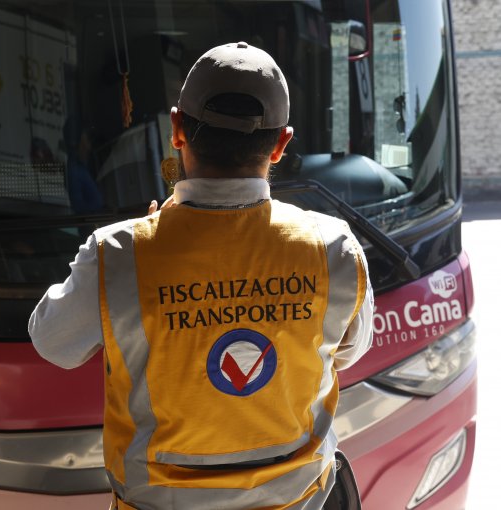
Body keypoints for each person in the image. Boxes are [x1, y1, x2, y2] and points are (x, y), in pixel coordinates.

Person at [28, 42, 374, 510]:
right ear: (280, 144)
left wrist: (146, 241)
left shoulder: (118, 253)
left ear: (176, 130)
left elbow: (53, 342)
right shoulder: (334, 250)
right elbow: (348, 353)